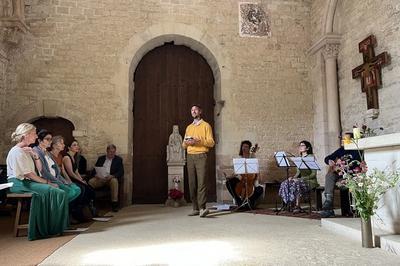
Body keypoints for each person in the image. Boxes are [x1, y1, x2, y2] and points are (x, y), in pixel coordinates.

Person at [6, 123, 69, 240]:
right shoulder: (17, 151)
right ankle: (48, 229)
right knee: (56, 191)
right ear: (26, 135)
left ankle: (51, 227)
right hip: (19, 183)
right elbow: (28, 174)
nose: (36, 137)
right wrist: (47, 182)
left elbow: (39, 169)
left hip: (28, 181)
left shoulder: (27, 150)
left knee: (57, 190)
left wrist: (35, 155)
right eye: (34, 134)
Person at [183, 104, 215, 217]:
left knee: (201, 183)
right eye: (192, 110)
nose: (193, 111)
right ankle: (195, 208)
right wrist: (188, 143)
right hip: (190, 156)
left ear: (200, 111)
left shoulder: (206, 126)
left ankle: (202, 208)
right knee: (192, 183)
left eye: (195, 109)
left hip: (201, 156)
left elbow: (211, 142)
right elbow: (183, 145)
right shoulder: (188, 127)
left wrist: (199, 141)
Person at [32, 129, 81, 203]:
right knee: (71, 192)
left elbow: (57, 171)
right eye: (47, 139)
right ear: (39, 140)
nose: (50, 141)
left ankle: (63, 206)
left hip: (56, 178)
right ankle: (58, 208)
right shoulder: (37, 151)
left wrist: (64, 181)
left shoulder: (47, 152)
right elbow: (44, 172)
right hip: (49, 180)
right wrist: (58, 182)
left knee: (77, 189)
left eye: (51, 139)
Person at [320, 133, 362, 218]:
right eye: (342, 139)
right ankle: (328, 202)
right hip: (340, 174)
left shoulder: (356, 150)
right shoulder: (341, 150)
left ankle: (330, 209)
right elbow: (327, 158)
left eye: (345, 139)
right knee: (329, 175)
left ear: (352, 140)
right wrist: (330, 161)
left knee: (342, 184)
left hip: (351, 175)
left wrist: (344, 165)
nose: (342, 140)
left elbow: (356, 165)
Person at [278, 140, 319, 213]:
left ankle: (297, 205)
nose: (300, 147)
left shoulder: (311, 157)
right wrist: (293, 178)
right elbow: (298, 172)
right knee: (285, 182)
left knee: (296, 183)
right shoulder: (299, 158)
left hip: (310, 180)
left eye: (302, 145)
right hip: (301, 179)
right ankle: (288, 203)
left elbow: (313, 174)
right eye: (300, 145)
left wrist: (300, 179)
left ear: (307, 148)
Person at [63, 139, 96, 217]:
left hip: (75, 179)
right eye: (74, 145)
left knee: (89, 188)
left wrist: (82, 180)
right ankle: (76, 211)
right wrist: (80, 181)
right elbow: (71, 173)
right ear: (69, 147)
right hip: (69, 179)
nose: (77, 147)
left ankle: (86, 210)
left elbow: (76, 172)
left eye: (77, 145)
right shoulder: (67, 157)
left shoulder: (74, 157)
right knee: (83, 189)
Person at [226, 140, 263, 209]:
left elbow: (257, 170)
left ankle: (250, 202)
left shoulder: (252, 156)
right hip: (241, 180)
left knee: (260, 189)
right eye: (243, 146)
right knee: (229, 183)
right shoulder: (239, 158)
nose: (244, 148)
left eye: (246, 147)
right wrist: (230, 177)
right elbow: (236, 172)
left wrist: (258, 178)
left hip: (251, 181)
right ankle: (239, 202)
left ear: (249, 149)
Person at [89, 144, 124, 212]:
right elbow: (94, 170)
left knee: (114, 181)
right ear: (107, 151)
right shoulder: (101, 159)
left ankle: (114, 203)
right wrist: (96, 175)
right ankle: (91, 202)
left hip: (110, 179)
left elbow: (121, 172)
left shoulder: (118, 159)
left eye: (113, 152)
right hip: (100, 178)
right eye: (110, 152)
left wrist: (112, 176)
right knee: (91, 181)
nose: (112, 153)